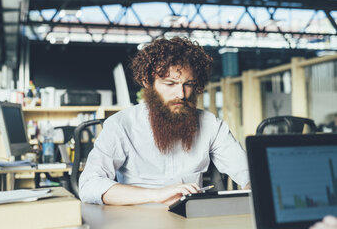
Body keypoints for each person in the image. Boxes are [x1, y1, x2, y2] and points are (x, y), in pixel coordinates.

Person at [79, 37, 250, 205]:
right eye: (170, 84)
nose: (181, 94)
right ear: (147, 82)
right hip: (137, 219)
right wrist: (156, 195)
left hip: (190, 220)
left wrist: (253, 185)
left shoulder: (211, 125)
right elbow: (89, 185)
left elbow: (248, 172)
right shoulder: (120, 125)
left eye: (188, 84)